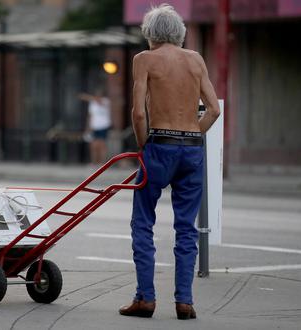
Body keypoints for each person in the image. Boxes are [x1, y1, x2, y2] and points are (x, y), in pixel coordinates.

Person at [118, 4, 221, 321]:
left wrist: (144, 142)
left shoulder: (144, 59)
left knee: (143, 222)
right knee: (186, 228)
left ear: (150, 33)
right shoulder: (195, 60)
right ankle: (185, 302)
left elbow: (138, 112)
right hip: (191, 149)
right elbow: (214, 110)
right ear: (179, 32)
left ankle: (145, 299)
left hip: (158, 146)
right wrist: (191, 135)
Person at [78, 88, 111, 165]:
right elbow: (90, 116)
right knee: (93, 145)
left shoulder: (106, 101)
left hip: (103, 126)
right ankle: (94, 162)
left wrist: (86, 97)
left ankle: (102, 163)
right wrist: (88, 128)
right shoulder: (92, 103)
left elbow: (99, 101)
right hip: (94, 126)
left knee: (102, 144)